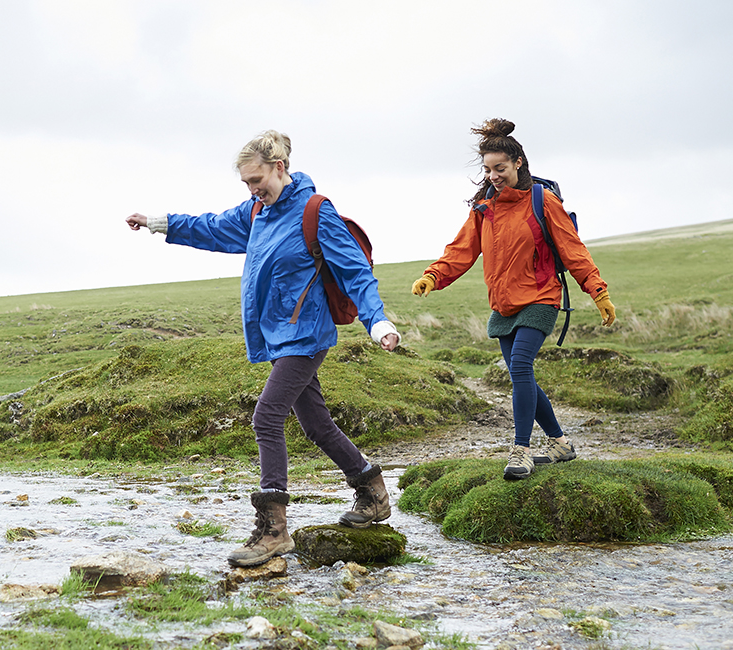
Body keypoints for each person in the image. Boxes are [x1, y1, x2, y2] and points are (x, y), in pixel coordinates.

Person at [126, 130, 400, 566]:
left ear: (280, 168)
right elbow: (212, 227)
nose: (254, 189)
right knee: (315, 425)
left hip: (306, 334)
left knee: (266, 416)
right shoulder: (256, 212)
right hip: (278, 336)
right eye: (246, 183)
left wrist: (377, 321)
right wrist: (159, 221)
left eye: (258, 180)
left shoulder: (315, 212)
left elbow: (354, 272)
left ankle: (275, 529)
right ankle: (372, 491)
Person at [410, 118, 616, 481]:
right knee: (522, 375)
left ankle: (520, 451)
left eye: (500, 168)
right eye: (488, 169)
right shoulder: (484, 208)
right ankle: (560, 442)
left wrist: (597, 291)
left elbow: (573, 250)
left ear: (518, 162)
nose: (493, 175)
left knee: (520, 365)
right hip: (504, 304)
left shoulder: (543, 201)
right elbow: (461, 250)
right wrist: (433, 275)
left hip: (541, 297)